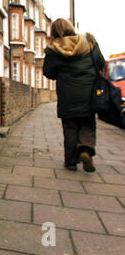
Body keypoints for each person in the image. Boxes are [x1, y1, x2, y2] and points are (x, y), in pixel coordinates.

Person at [43, 18, 106, 172]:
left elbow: (48, 72)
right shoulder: (89, 42)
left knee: (70, 127)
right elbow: (100, 62)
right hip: (88, 92)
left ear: (54, 32)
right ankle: (85, 149)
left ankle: (71, 162)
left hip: (67, 94)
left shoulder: (53, 49)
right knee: (87, 123)